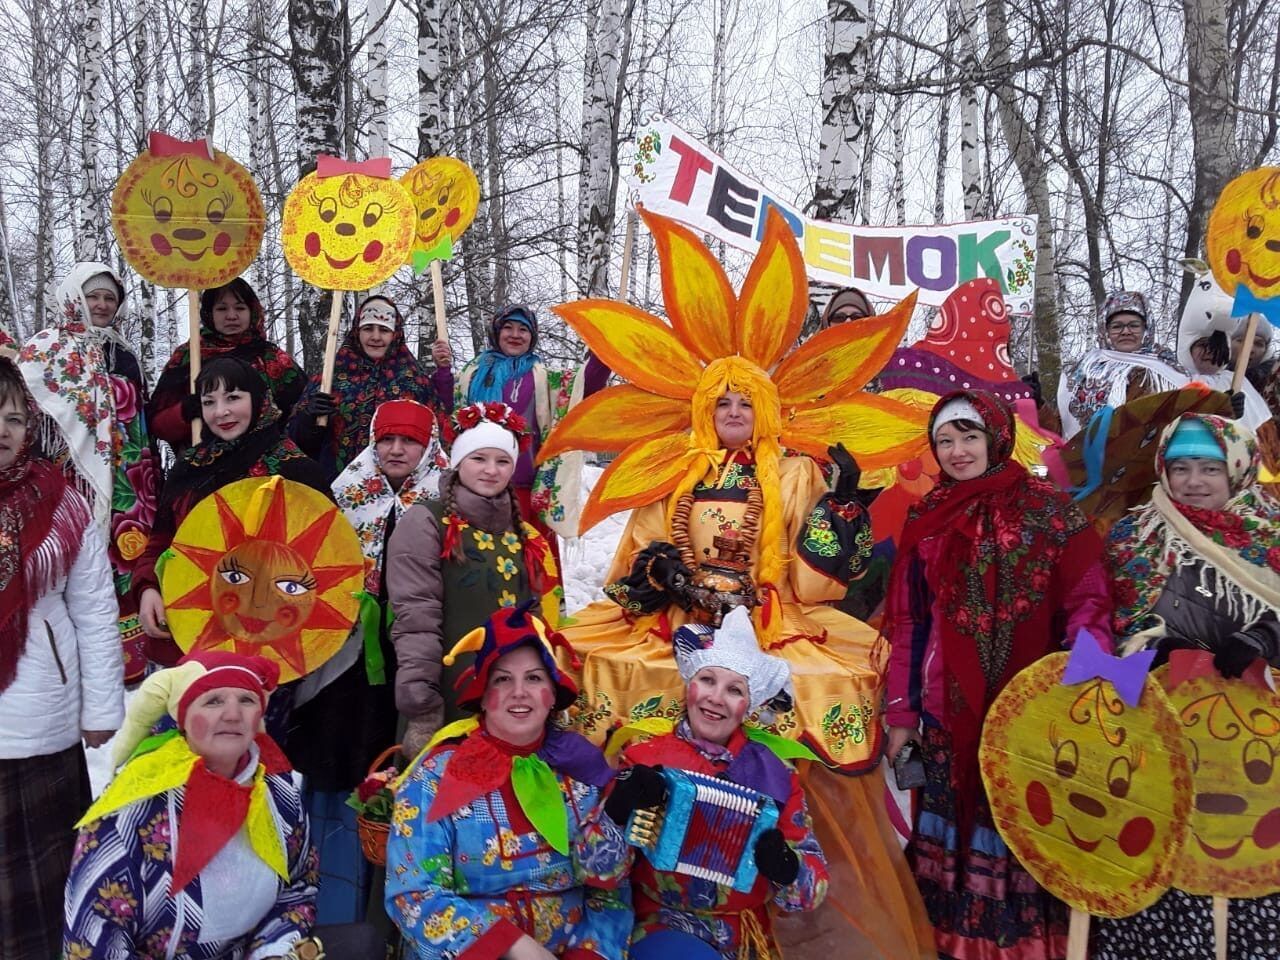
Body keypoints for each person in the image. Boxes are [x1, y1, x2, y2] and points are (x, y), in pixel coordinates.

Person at [883, 390, 1114, 960]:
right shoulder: (927, 518)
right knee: (950, 831)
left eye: (969, 436)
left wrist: (1081, 690)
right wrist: (901, 716)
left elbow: (1089, 600)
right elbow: (910, 622)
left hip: (1030, 712)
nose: (958, 451)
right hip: (945, 711)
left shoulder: (1049, 510)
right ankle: (947, 944)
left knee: (1021, 828)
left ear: (995, 436)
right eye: (945, 441)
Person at [1093, 413, 1280, 958]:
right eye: (1181, 468)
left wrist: (1265, 636)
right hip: (1160, 735)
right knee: (1165, 856)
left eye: (1209, 468)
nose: (1194, 481)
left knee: (1243, 855)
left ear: (1239, 470)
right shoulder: (1134, 534)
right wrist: (1146, 651)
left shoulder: (1272, 531)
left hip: (1252, 744)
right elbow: (1105, 631)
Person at [61, 651, 371, 958]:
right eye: (214, 701)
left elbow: (299, 886)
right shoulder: (133, 808)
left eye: (246, 700)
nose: (233, 714)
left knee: (365, 942)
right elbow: (94, 939)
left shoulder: (279, 794)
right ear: (182, 717)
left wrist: (274, 951)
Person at [385, 603, 631, 960]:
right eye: (503, 679)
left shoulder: (582, 772)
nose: (520, 692)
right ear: (483, 697)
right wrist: (511, 946)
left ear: (552, 697)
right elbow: (413, 894)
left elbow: (611, 891)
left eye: (534, 678)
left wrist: (591, 954)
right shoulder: (434, 779)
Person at [287, 398, 445, 923]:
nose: (397, 450)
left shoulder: (446, 500)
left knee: (399, 768)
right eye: (388, 440)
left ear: (428, 448)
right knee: (339, 766)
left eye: (410, 441)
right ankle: (328, 898)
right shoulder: (346, 496)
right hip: (346, 664)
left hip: (415, 663)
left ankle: (391, 906)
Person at [606, 607, 827, 960]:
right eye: (707, 680)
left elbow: (810, 892)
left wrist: (785, 867)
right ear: (689, 685)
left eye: (734, 689)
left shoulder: (777, 776)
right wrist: (616, 813)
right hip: (661, 925)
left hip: (744, 937)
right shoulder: (644, 760)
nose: (716, 698)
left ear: (748, 706)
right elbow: (594, 870)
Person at [0, 358, 123, 960]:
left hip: (40, 718)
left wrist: (101, 707)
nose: (2, 428)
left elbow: (96, 612)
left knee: (42, 897)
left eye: (13, 417)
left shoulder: (64, 502)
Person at [386, 401, 560, 758]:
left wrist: (547, 682)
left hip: (512, 698)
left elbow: (535, 616)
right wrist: (421, 701)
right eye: (479, 458)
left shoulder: (522, 531)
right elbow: (416, 617)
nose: (491, 471)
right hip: (450, 692)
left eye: (502, 461)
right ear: (458, 461)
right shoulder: (425, 523)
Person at [135, 356, 330, 666]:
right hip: (199, 630)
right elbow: (161, 542)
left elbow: (328, 553)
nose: (221, 411)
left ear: (259, 399)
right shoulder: (190, 469)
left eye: (233, 398)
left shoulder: (295, 470)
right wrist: (148, 588)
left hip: (276, 636)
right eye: (208, 401)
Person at [17, 261, 160, 682]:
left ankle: (127, 667)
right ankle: (64, 668)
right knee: (73, 564)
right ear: (72, 296)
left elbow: (142, 416)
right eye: (93, 295)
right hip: (68, 478)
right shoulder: (44, 349)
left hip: (130, 477)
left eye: (109, 298)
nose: (100, 305)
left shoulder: (124, 353)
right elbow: (26, 417)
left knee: (126, 556)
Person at [456, 304, 610, 555]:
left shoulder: (544, 377)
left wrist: (603, 352)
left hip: (525, 492)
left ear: (532, 337)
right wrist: (441, 372)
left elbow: (583, 387)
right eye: (508, 327)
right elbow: (451, 414)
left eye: (523, 329)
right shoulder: (471, 375)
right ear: (496, 332)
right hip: (476, 492)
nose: (515, 334)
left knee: (531, 570)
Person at [291, 295, 453, 480]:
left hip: (401, 488)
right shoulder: (330, 377)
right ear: (356, 331)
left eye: (384, 330)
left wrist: (443, 373)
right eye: (368, 328)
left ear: (395, 334)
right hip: (337, 485)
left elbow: (439, 427)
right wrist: (308, 419)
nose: (375, 337)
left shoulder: (414, 379)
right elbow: (298, 442)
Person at [148, 277, 306, 453]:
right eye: (222, 308)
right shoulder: (188, 357)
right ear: (209, 313)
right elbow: (157, 425)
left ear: (252, 311)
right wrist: (184, 412)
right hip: (202, 467)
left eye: (239, 308)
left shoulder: (272, 358)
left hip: (265, 465)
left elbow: (300, 417)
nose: (231, 316)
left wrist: (312, 413)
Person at [1056, 290, 1186, 438]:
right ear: (1105, 331)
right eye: (1117, 326)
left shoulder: (1164, 370)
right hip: (1082, 456)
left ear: (1146, 328)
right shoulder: (1084, 368)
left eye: (1134, 325)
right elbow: (1057, 426)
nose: (1126, 332)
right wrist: (1038, 406)